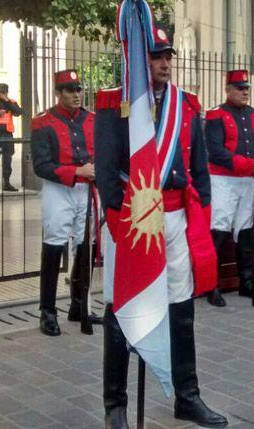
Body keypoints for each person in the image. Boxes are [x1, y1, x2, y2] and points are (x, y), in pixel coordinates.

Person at [95, 25, 227, 429]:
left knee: (180, 306)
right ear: (138, 58)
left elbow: (199, 167)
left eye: (168, 55)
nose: (166, 63)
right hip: (132, 221)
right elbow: (104, 168)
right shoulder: (114, 103)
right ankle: (115, 405)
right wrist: (120, 220)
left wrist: (199, 212)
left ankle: (188, 396)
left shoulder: (185, 105)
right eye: (156, 56)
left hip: (174, 216)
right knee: (121, 307)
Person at [31, 69, 102, 336]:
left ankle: (79, 305)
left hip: (88, 189)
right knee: (53, 246)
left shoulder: (92, 120)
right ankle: (47, 311)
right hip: (59, 189)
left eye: (79, 89)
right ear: (58, 93)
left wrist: (94, 169)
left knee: (86, 246)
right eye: (70, 90)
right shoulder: (43, 122)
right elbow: (41, 165)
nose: (76, 94)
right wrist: (75, 172)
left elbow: (102, 151)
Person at [204, 70, 254, 307]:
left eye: (247, 88)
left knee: (246, 232)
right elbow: (216, 151)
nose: (245, 92)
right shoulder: (216, 115)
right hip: (223, 180)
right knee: (218, 230)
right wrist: (251, 164)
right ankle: (211, 286)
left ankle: (247, 282)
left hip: (248, 180)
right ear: (228, 90)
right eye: (240, 88)